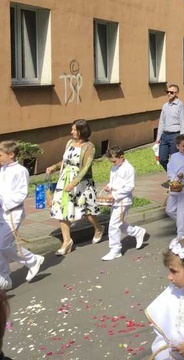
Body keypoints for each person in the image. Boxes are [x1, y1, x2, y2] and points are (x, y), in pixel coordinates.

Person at [46, 119, 104, 255]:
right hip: (64, 180)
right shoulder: (70, 143)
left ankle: (98, 228)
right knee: (61, 209)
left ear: (81, 130)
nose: (71, 132)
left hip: (82, 183)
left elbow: (86, 167)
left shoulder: (89, 146)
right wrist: (54, 167)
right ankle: (67, 241)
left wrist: (74, 183)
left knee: (87, 211)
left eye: (74, 129)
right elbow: (65, 161)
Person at [0, 141, 44, 288]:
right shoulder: (3, 169)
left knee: (3, 245)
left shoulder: (20, 170)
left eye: (0, 155)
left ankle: (32, 260)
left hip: (12, 213)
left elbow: (21, 193)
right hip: (1, 212)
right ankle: (4, 277)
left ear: (11, 154)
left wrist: (5, 203)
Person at [101, 147, 147, 261]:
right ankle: (137, 232)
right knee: (119, 224)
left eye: (114, 161)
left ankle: (115, 250)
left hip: (123, 201)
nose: (112, 163)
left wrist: (115, 195)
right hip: (115, 200)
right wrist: (109, 186)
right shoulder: (115, 167)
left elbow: (129, 186)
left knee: (113, 225)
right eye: (111, 161)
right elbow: (114, 181)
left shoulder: (128, 168)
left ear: (122, 157)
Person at [155, 84, 184, 172]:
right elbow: (161, 122)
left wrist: (182, 139)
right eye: (167, 92)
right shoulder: (165, 106)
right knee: (162, 159)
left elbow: (183, 123)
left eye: (171, 92)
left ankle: (176, 180)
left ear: (177, 93)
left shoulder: (180, 105)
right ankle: (173, 175)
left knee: (175, 159)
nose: (169, 94)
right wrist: (158, 138)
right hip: (165, 136)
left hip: (175, 135)